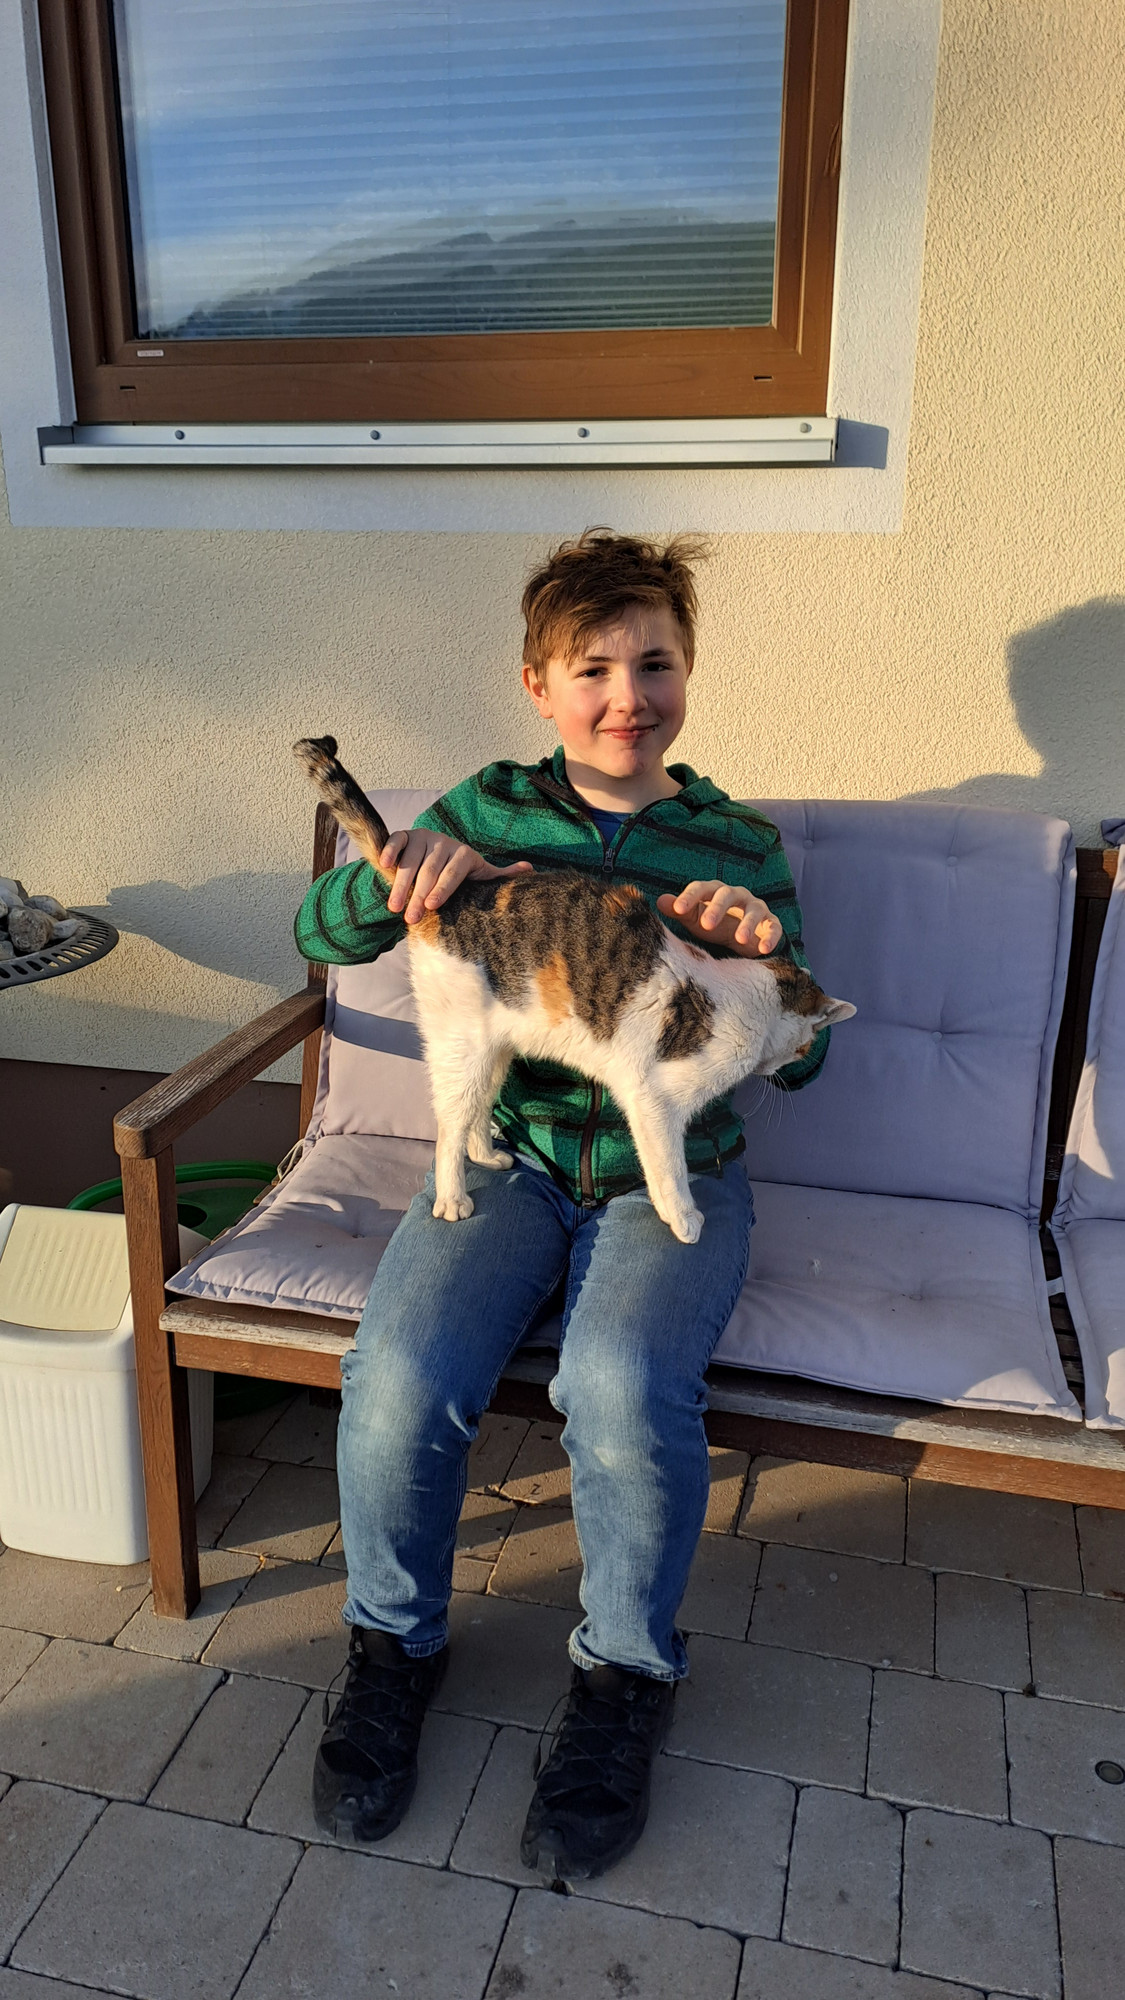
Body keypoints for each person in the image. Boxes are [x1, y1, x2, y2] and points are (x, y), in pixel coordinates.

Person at [293, 530, 829, 1881]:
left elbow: (803, 1055)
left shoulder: (737, 844)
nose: (625, 695)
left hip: (671, 1179)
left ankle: (624, 1675)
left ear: (688, 670)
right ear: (538, 683)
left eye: (654, 663)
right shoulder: (486, 808)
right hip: (513, 1162)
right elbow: (326, 936)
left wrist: (755, 953)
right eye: (592, 668)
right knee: (400, 1372)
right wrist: (396, 871)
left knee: (622, 1383)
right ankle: (390, 1645)